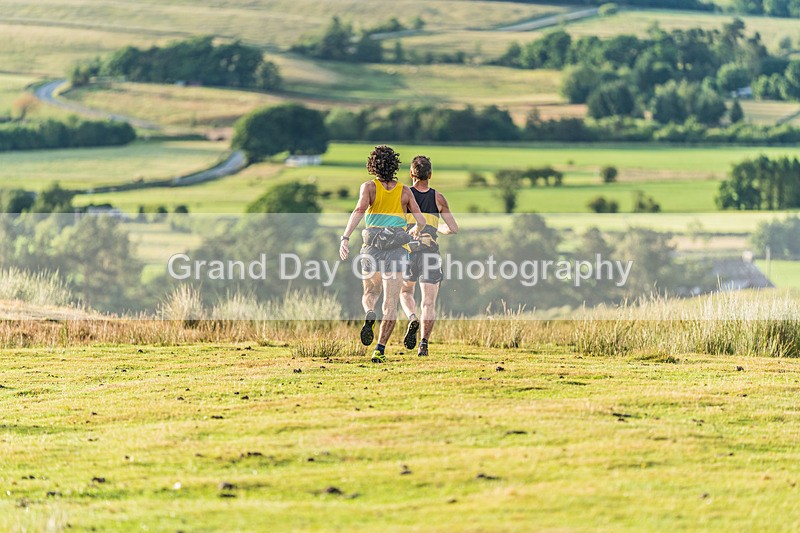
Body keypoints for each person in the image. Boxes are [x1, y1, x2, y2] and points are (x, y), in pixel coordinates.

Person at [340, 145, 426, 363]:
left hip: (372, 247)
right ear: (395, 166)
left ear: (372, 166)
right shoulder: (405, 191)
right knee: (391, 303)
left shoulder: (369, 187)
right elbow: (421, 220)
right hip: (397, 250)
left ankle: (370, 312)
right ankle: (379, 349)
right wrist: (415, 230)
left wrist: (345, 237)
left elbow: (359, 210)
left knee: (370, 292)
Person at [399, 155, 458, 357]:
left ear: (411, 173)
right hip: (430, 255)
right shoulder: (439, 198)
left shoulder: (404, 196)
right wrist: (437, 227)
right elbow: (453, 228)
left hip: (409, 252)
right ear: (430, 175)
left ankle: (412, 317)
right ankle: (423, 344)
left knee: (405, 292)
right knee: (428, 303)